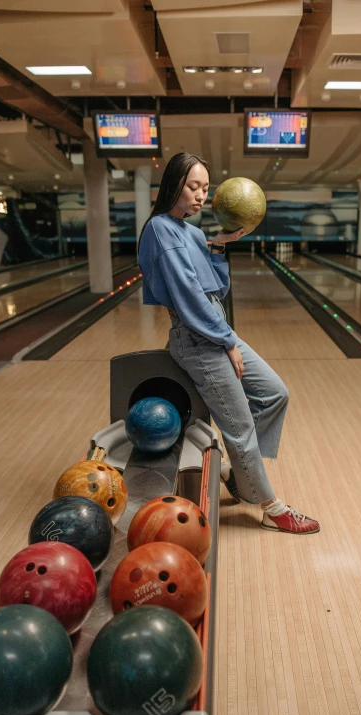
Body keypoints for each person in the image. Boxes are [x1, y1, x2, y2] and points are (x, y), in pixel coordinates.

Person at [138, 152, 320, 535]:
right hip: (198, 338)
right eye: (193, 187)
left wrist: (218, 246)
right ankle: (270, 507)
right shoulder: (160, 229)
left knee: (274, 393)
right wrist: (227, 342)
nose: (202, 196)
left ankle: (241, 474)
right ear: (173, 185)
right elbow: (188, 299)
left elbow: (218, 288)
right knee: (239, 429)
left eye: (206, 188)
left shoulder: (190, 232)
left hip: (217, 330)